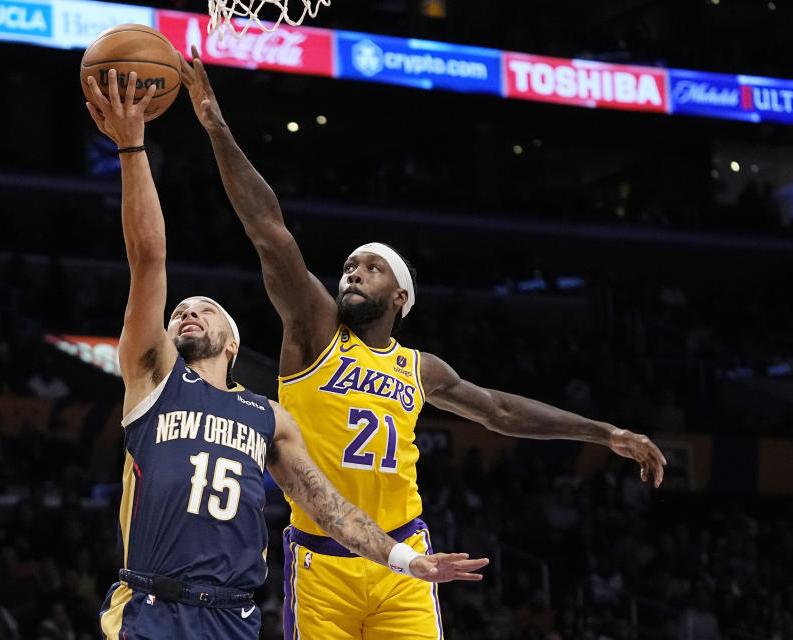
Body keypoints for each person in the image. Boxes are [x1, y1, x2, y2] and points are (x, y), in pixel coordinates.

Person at [180, 48, 668, 640]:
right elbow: (269, 230)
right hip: (321, 561)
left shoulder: (420, 368)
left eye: (370, 268)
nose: (352, 273)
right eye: (349, 267)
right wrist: (216, 126)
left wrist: (606, 433)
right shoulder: (313, 334)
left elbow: (502, 412)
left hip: (406, 559)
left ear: (401, 298)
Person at [83, 69, 488, 640]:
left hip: (234, 616)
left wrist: (404, 560)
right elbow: (149, 259)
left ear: (234, 341)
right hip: (153, 605)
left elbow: (330, 508)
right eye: (179, 313)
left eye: (206, 308)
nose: (186, 313)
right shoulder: (152, 379)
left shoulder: (268, 417)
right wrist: (132, 148)